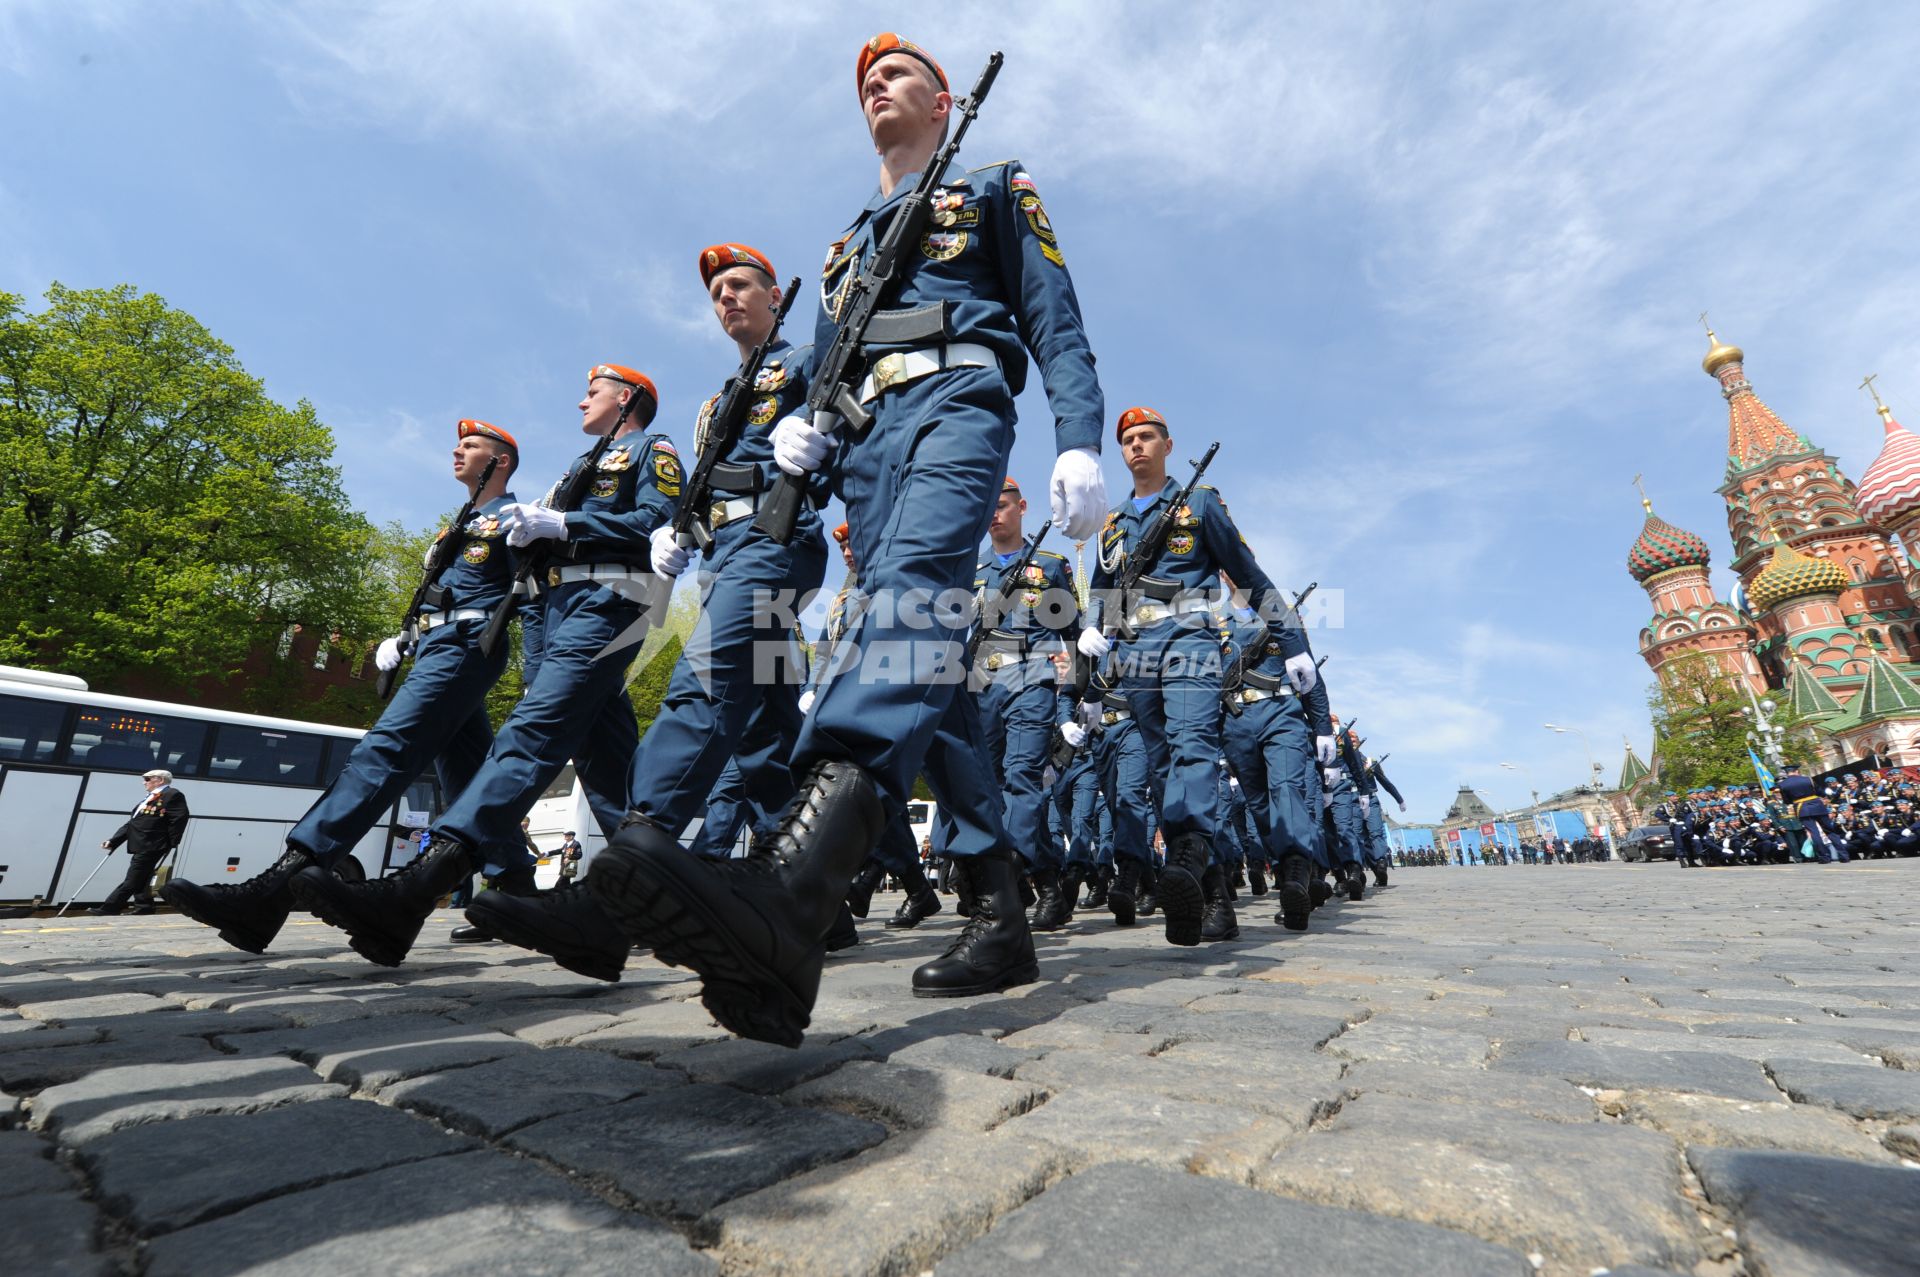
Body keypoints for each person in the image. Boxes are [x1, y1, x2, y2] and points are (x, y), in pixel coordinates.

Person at [589, 32, 1107, 1046]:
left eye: (898, 73)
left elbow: (1056, 319)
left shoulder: (994, 185)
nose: (876, 81)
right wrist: (802, 441)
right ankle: (999, 913)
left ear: (944, 99)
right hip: (868, 452)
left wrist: (1079, 436)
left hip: (959, 399)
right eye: (865, 79)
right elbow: (823, 379)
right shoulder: (845, 248)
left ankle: (794, 893)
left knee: (913, 602)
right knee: (935, 673)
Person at [471, 246, 826, 979]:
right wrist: (679, 534)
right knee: (764, 737)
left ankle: (610, 908)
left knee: (699, 688)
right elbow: (698, 493)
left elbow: (850, 442)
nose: (726, 299)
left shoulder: (806, 362)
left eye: (740, 287)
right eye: (717, 292)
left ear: (772, 297)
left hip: (778, 539)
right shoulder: (714, 403)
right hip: (728, 553)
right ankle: (821, 901)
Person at [291, 365, 680, 971]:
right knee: (608, 768)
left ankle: (412, 893)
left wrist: (566, 523)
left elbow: (656, 521)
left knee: (530, 735)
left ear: (625, 398)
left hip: (608, 601)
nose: (581, 401)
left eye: (593, 392)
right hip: (556, 616)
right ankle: (659, 902)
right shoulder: (576, 469)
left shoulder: (650, 450)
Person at [161, 421, 532, 951]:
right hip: (436, 645)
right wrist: (405, 636)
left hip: (466, 646)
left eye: (471, 446)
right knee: (469, 774)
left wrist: (537, 674)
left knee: (383, 752)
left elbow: (535, 597)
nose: (457, 450)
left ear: (499, 462)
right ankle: (518, 891)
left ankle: (271, 894)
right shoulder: (461, 523)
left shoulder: (512, 520)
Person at [1080, 407, 1312, 945]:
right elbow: (1101, 587)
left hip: (1191, 637)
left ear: (1167, 445)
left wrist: (1294, 643)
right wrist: (1092, 628)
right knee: (1161, 768)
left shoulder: (1199, 503)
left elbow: (1250, 576)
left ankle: (1185, 852)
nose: (1137, 446)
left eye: (1147, 437)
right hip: (1136, 650)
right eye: (1128, 440)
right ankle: (1209, 895)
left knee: (1192, 744)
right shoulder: (1111, 523)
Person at [966, 477, 1082, 929]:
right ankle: (1048, 878)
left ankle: (1010, 878)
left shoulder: (1049, 567)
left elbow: (1074, 639)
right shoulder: (971, 571)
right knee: (989, 789)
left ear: (1022, 508)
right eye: (988, 507)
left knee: (1022, 778)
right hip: (980, 683)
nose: (995, 514)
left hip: (1031, 677)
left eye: (1003, 505)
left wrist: (1073, 698)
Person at [92, 769, 189, 915]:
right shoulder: (149, 798)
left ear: (160, 780)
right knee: (142, 876)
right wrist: (113, 841)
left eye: (148, 779)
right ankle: (145, 906)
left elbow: (179, 819)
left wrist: (171, 842)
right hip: (143, 844)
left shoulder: (172, 794)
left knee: (133, 877)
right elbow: (133, 824)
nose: (144, 782)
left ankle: (110, 907)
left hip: (153, 844)